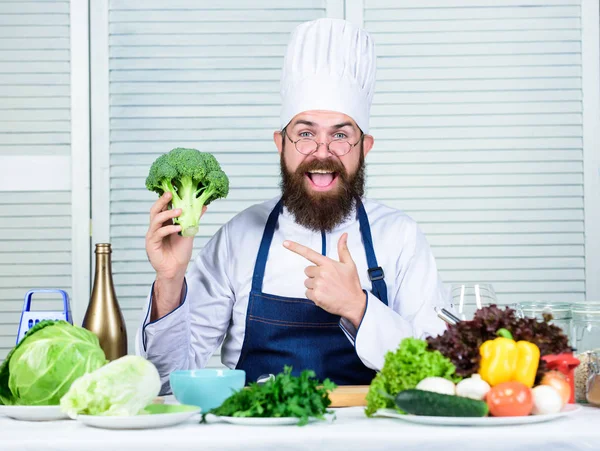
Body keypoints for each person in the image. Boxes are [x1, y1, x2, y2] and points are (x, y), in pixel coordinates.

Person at [136, 18, 451, 394]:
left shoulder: (400, 236)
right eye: (304, 133)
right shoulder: (240, 236)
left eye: (340, 135)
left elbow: (437, 372)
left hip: (372, 436)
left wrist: (358, 306)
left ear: (364, 148)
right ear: (280, 144)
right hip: (256, 435)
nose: (322, 151)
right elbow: (165, 383)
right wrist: (169, 282)